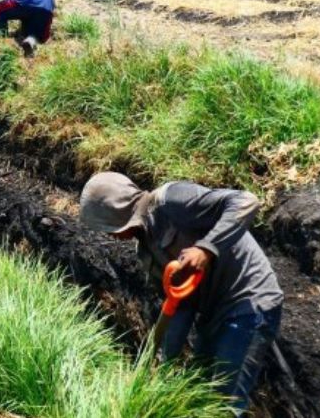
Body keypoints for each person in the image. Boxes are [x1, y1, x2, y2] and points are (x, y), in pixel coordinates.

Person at [79, 172, 284, 416]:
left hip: (249, 300)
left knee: (223, 404)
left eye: (106, 226)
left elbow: (246, 202)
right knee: (195, 388)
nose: (109, 235)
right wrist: (165, 369)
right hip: (213, 313)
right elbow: (179, 308)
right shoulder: (146, 253)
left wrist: (206, 248)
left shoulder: (171, 201)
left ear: (117, 211)